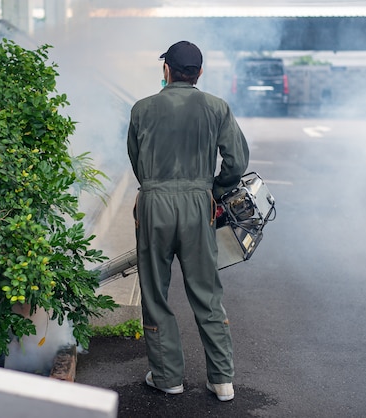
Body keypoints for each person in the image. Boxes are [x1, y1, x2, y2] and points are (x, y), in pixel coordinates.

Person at [127, 41, 249, 402]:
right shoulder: (217, 107)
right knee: (206, 292)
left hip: (155, 203)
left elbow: (136, 158)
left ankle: (167, 378)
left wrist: (154, 187)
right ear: (198, 73)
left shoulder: (142, 109)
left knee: (155, 292)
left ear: (167, 70)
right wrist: (213, 187)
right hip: (199, 204)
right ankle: (222, 379)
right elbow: (236, 161)